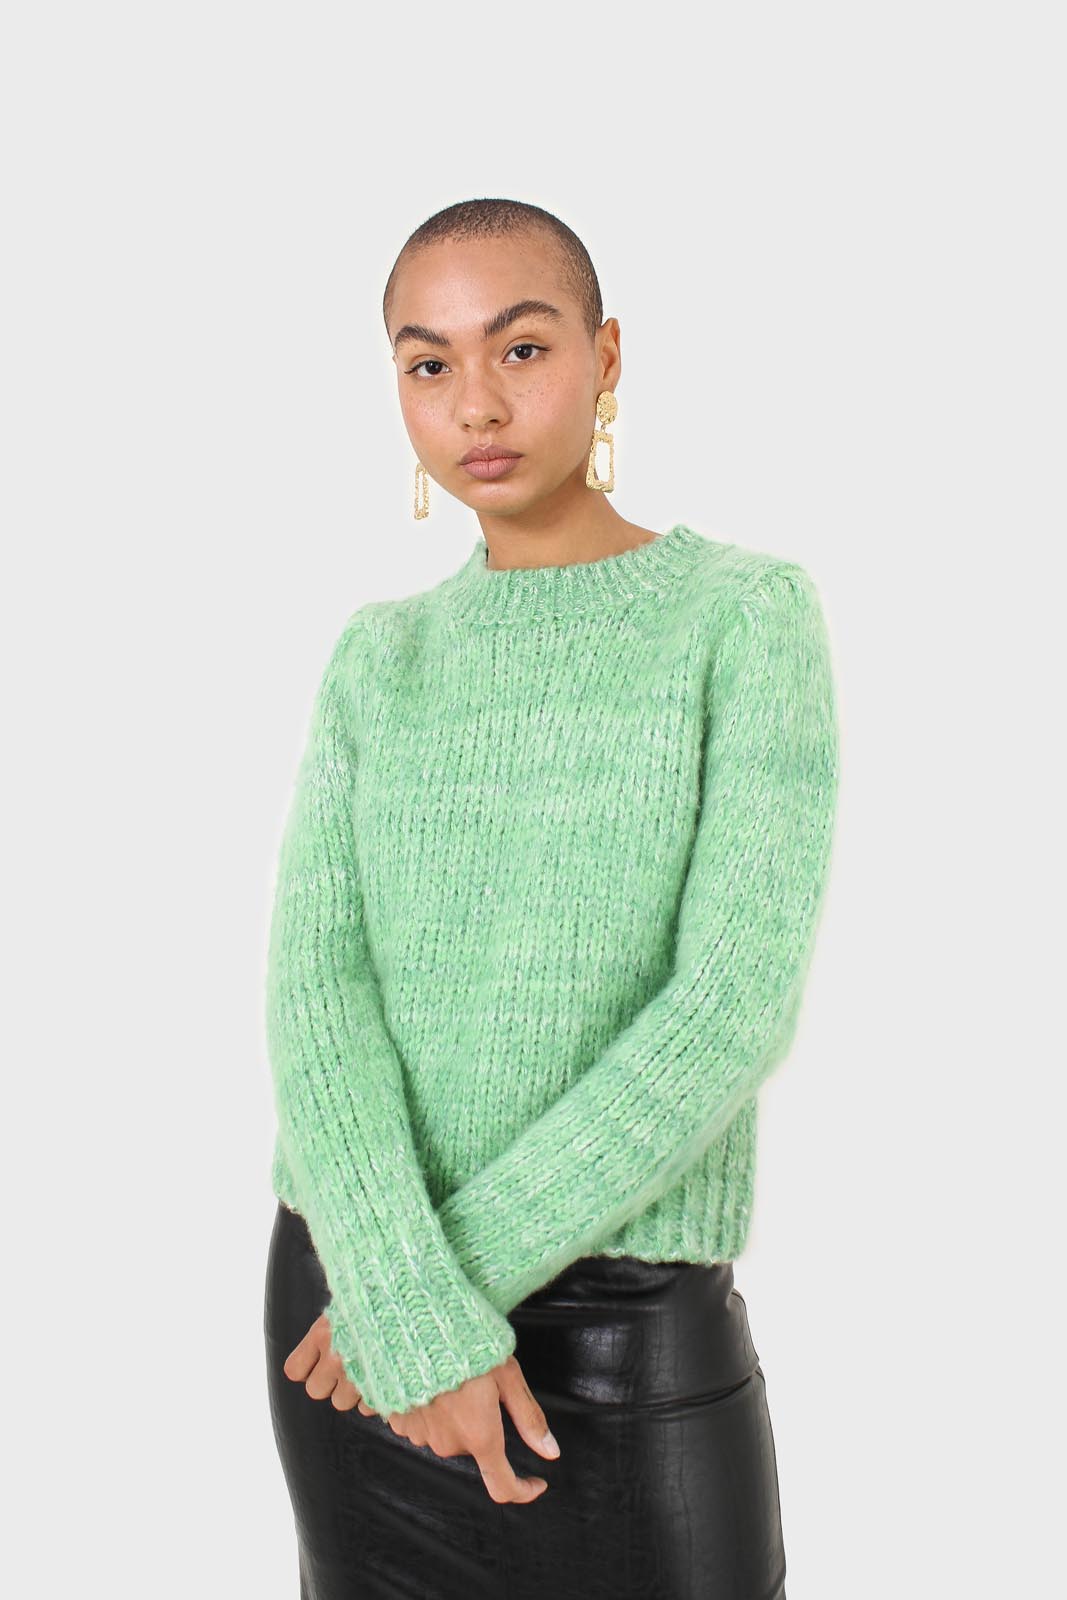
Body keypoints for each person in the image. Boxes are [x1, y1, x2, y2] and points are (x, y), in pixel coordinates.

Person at [262, 196, 839, 1600]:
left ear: (606, 355)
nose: (476, 403)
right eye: (429, 363)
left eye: (521, 348)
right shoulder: (380, 656)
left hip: (615, 1321)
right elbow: (317, 988)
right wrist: (404, 1297)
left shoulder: (741, 615)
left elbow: (732, 1002)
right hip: (358, 1297)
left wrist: (445, 1298)